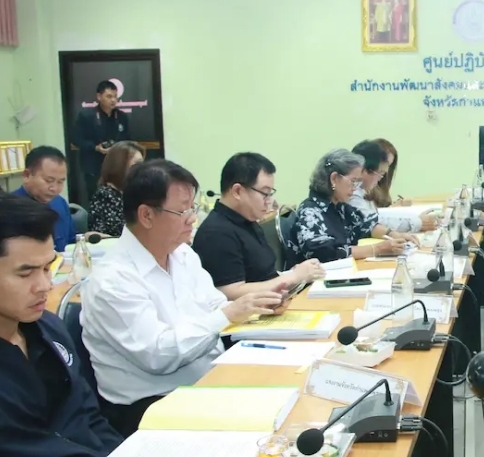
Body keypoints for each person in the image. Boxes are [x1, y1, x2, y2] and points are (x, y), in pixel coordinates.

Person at [80, 160, 284, 437]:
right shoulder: (113, 280)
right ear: (146, 215)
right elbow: (158, 355)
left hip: (206, 383)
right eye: (182, 211)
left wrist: (256, 308)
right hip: (151, 407)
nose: (193, 219)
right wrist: (228, 314)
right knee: (270, 437)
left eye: (193, 208)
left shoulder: (182, 254)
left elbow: (214, 305)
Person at [0, 194, 122, 457]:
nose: (44, 286)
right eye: (25, 274)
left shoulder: (48, 329)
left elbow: (89, 418)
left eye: (47, 268)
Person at [193, 153, 325, 300]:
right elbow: (230, 293)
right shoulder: (216, 232)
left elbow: (262, 275)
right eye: (265, 193)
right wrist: (293, 277)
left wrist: (293, 274)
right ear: (237, 191)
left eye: (270, 193)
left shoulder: (247, 221)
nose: (269, 201)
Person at [287, 149, 417, 265]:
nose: (355, 188)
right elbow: (325, 254)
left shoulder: (340, 207)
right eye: (353, 181)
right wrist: (376, 249)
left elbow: (366, 226)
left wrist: (393, 234)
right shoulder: (310, 212)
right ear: (334, 179)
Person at [348, 140, 439, 233]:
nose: (380, 179)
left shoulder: (362, 190)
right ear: (365, 170)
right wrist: (417, 222)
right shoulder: (352, 192)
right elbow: (372, 223)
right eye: (380, 173)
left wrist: (415, 220)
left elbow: (376, 218)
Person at [71, 80, 131, 203]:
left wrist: (118, 148)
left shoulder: (121, 117)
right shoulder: (86, 116)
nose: (113, 100)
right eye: (109, 96)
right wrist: (95, 147)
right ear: (99, 97)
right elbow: (76, 139)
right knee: (96, 200)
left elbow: (128, 139)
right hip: (94, 166)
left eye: (115, 96)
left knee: (118, 200)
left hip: (116, 167)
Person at [13, 146, 75, 252]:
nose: (54, 188)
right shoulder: (8, 210)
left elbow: (70, 241)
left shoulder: (60, 203)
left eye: (60, 182)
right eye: (48, 180)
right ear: (27, 175)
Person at [89, 141, 145, 237]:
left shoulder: (137, 193)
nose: (143, 169)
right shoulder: (104, 195)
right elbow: (103, 235)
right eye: (137, 164)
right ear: (120, 165)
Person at [367, 138, 406, 207]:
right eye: (385, 163)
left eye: (389, 165)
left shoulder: (382, 184)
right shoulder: (362, 187)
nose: (386, 170)